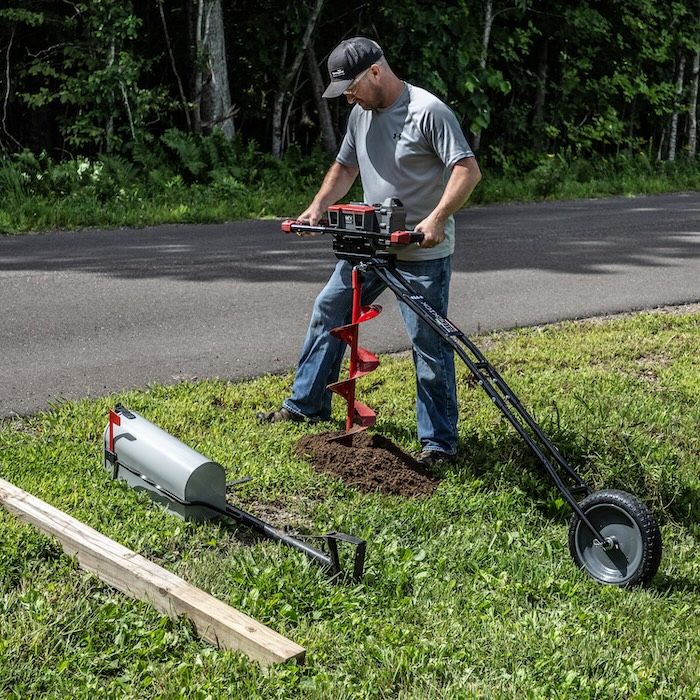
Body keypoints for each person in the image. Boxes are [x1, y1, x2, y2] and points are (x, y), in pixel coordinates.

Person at [258, 36, 481, 466]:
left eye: (352, 88)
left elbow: (466, 170)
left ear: (376, 72)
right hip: (369, 243)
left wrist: (435, 218)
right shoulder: (361, 115)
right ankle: (306, 404)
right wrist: (317, 208)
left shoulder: (428, 111)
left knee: (428, 343)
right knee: (330, 309)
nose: (348, 99)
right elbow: (345, 167)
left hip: (419, 251)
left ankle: (439, 445)